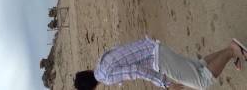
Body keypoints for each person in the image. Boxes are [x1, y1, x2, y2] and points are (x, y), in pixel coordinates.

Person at [74, 37, 247, 90]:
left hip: (157, 58)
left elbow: (137, 71)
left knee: (201, 82)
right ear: (88, 71)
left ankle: (233, 50)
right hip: (152, 47)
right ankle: (231, 52)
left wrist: (164, 83)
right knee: (197, 66)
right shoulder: (101, 60)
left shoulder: (107, 77)